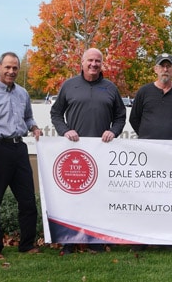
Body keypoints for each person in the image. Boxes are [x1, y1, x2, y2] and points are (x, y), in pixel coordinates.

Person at [50, 47, 126, 254]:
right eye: (90, 61)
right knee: (74, 195)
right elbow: (56, 114)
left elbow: (120, 116)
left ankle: (96, 240)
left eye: (98, 61)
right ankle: (69, 240)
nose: (93, 64)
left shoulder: (110, 88)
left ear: (102, 64)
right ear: (82, 62)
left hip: (102, 151)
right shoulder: (69, 86)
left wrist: (113, 131)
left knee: (99, 196)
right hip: (75, 152)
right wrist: (65, 130)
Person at [0, 52, 42, 260]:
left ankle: (27, 244)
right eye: (7, 67)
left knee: (28, 200)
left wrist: (34, 127)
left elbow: (28, 116)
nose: (11, 71)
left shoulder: (22, 93)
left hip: (19, 150)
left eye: (15, 68)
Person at [129, 53, 172, 140]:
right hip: (147, 146)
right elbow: (134, 118)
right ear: (155, 69)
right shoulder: (143, 91)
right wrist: (144, 135)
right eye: (162, 66)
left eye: (168, 66)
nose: (165, 69)